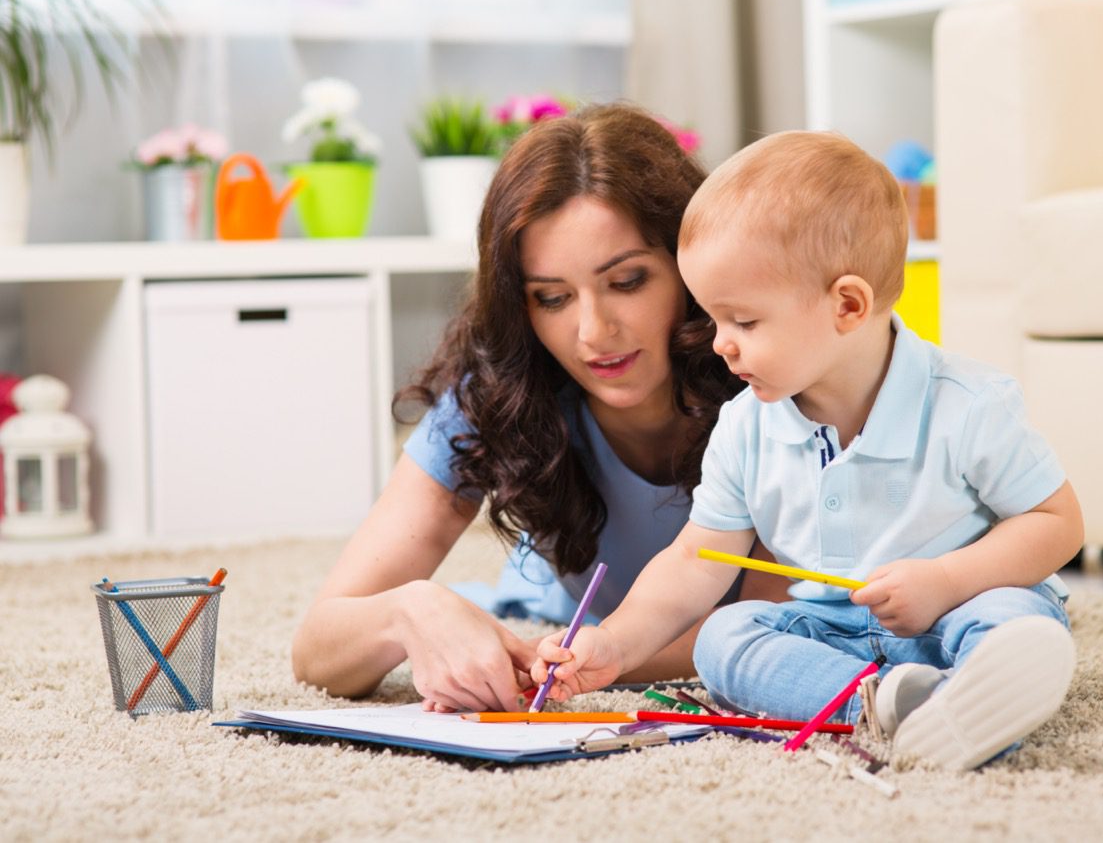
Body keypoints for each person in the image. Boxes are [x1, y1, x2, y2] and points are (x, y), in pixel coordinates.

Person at [531, 130, 1083, 771]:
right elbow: (695, 559)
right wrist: (615, 645)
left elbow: (1056, 523)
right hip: (834, 634)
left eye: (744, 322)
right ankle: (883, 705)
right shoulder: (745, 425)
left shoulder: (969, 404)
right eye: (714, 321)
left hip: (964, 605)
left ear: (848, 305)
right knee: (725, 636)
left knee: (1015, 616)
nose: (719, 345)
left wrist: (946, 581)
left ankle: (986, 689)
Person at [291, 103, 788, 713]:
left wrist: (573, 657)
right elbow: (317, 654)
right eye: (551, 298)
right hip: (569, 633)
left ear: (691, 270)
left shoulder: (773, 381)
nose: (593, 332)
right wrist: (411, 610)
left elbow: (763, 624)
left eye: (628, 282)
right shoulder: (499, 397)